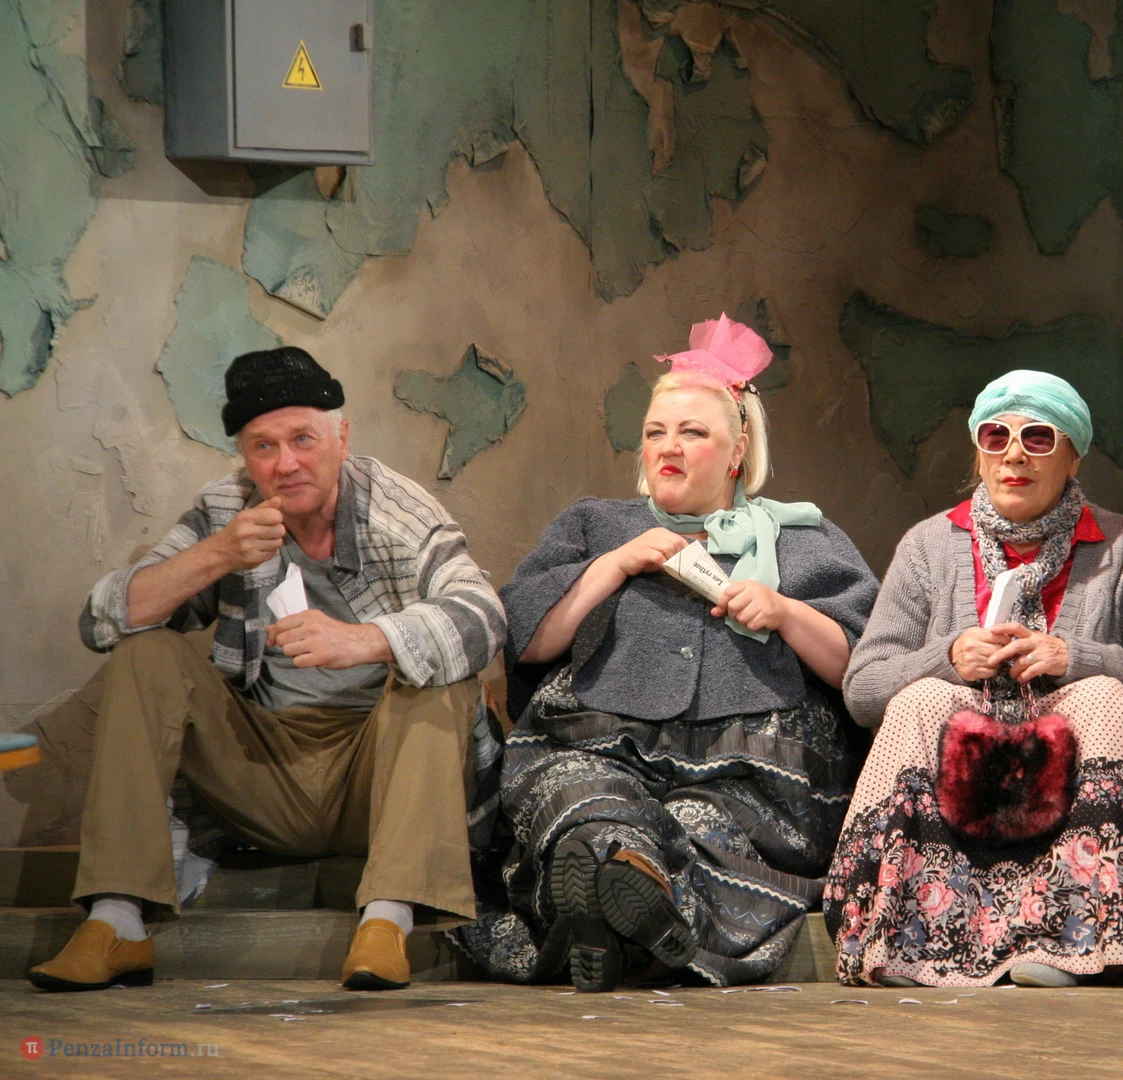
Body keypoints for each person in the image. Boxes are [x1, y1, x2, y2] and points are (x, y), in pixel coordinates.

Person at [30, 347, 506, 993]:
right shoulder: (228, 509)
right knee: (145, 652)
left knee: (440, 670)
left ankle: (387, 922)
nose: (285, 464)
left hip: (377, 775)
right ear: (244, 455)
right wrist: (217, 555)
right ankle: (117, 922)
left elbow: (484, 615)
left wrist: (366, 640)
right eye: (263, 447)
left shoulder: (398, 511)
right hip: (262, 769)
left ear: (342, 437)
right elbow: (101, 622)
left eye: (303, 439)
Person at [453, 315, 878, 992]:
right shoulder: (597, 524)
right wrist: (613, 566)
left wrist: (787, 612)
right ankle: (631, 905)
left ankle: (625, 915)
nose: (668, 447)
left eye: (692, 433)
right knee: (588, 806)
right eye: (655, 433)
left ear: (737, 449)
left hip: (750, 770)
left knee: (699, 830)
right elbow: (526, 639)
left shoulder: (803, 538)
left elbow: (861, 668)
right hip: (598, 742)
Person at [823, 370, 1123, 989]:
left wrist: (1073, 656)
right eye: (997, 436)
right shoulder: (928, 545)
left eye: (1039, 438)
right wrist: (948, 658)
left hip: (1070, 764)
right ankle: (904, 937)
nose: (1015, 455)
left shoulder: (1122, 545)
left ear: (1073, 456)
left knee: (1106, 696)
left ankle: (1079, 941)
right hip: (965, 765)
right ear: (980, 452)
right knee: (922, 698)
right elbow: (864, 688)